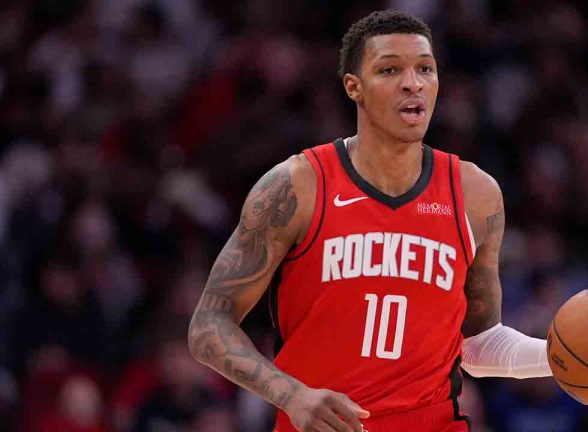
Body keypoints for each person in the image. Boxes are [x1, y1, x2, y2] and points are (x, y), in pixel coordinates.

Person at [188, 10, 552, 432]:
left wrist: (560, 357)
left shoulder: (475, 194)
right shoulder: (297, 186)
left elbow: (477, 343)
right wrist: (290, 394)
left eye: (425, 68)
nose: (413, 83)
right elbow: (208, 324)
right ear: (354, 87)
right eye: (390, 69)